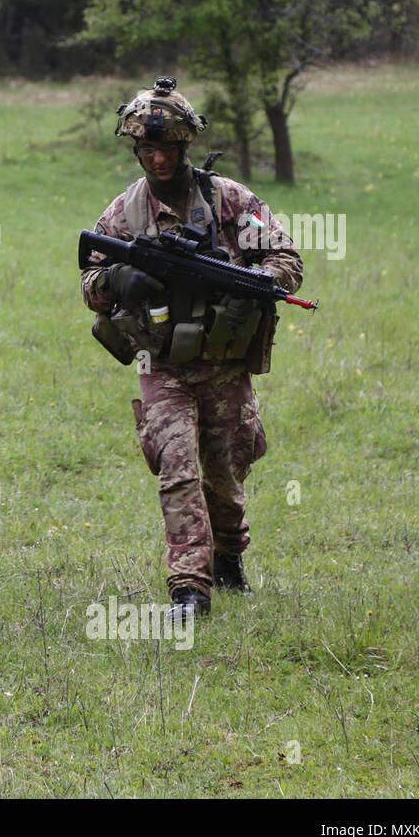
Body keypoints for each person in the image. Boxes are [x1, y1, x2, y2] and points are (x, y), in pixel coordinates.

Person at [80, 76, 303, 618]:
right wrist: (119, 281)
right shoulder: (125, 212)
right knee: (177, 468)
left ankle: (228, 556)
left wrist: (243, 276)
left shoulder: (229, 199)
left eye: (169, 148)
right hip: (163, 364)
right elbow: (90, 284)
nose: (158, 158)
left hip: (225, 364)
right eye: (147, 149)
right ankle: (189, 587)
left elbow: (287, 263)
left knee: (224, 477)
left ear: (187, 146)